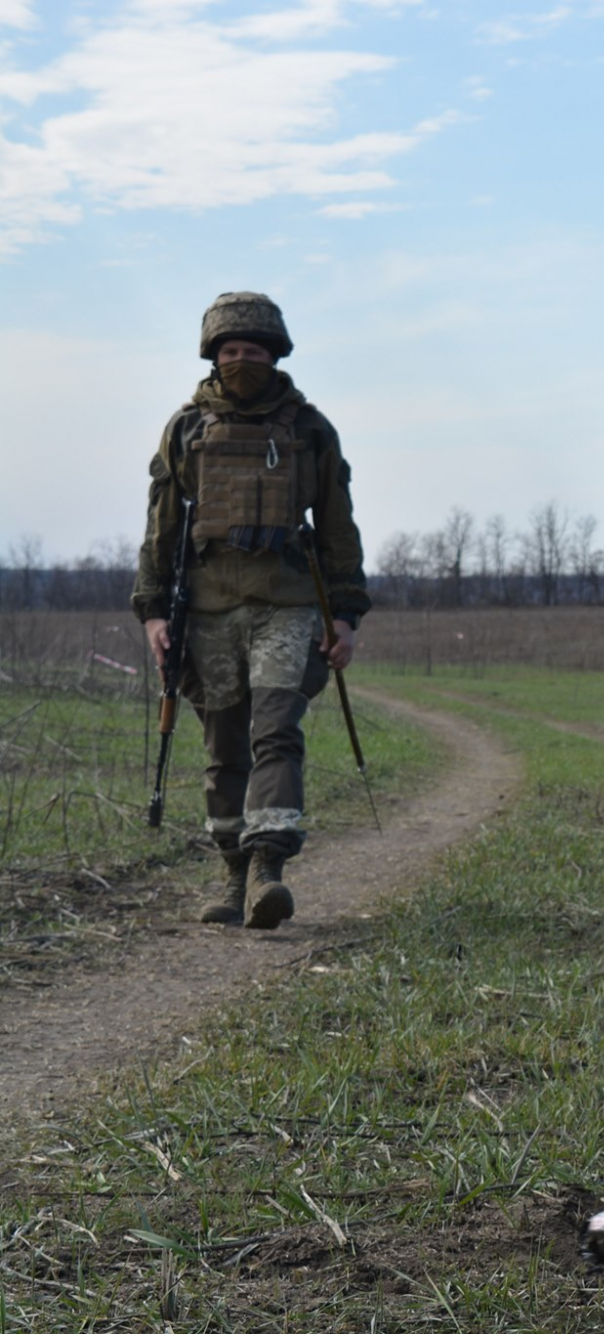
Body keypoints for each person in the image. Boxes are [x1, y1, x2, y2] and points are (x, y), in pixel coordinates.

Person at [132, 292, 369, 930]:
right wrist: (153, 611)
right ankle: (232, 874)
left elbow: (337, 526)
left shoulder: (310, 429)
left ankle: (268, 868)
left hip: (287, 607)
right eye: (231, 351)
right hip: (208, 611)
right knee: (223, 745)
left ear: (276, 354)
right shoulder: (186, 429)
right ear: (213, 356)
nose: (242, 361)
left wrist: (344, 613)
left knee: (276, 733)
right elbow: (162, 527)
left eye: (254, 350)